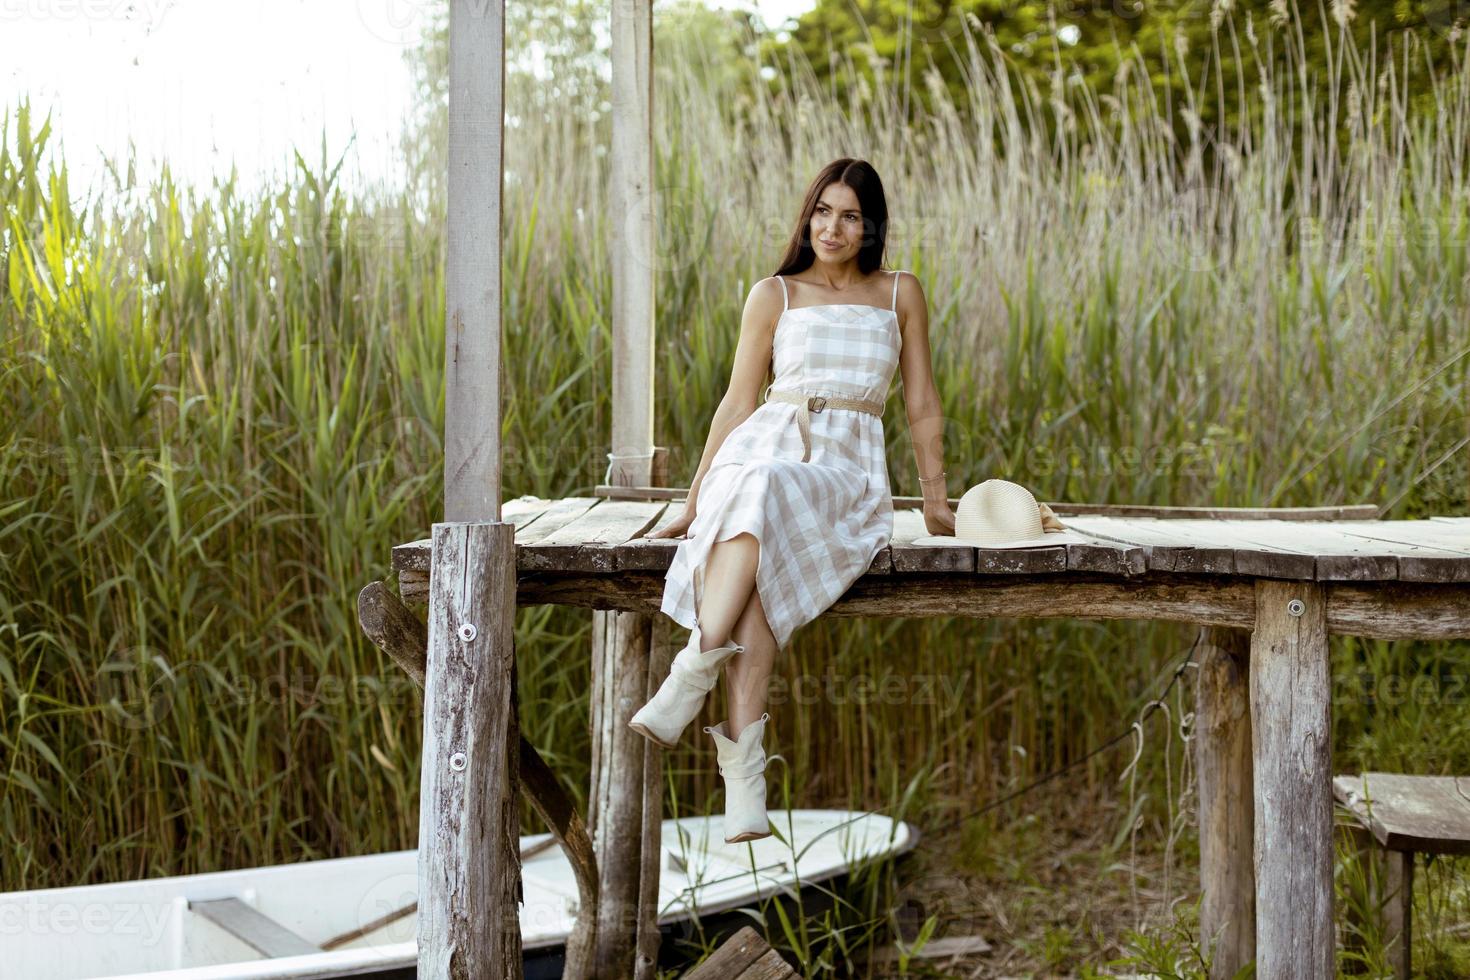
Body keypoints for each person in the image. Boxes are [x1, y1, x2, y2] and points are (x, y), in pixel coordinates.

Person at [631, 158, 957, 843]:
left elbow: (921, 402)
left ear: (870, 228)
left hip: (845, 471)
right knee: (758, 494)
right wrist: (693, 502)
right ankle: (743, 780)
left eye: (849, 216)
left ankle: (695, 665)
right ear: (807, 216)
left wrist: (933, 498)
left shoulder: (900, 292)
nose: (832, 227)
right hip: (762, 450)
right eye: (822, 211)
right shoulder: (773, 294)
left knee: (765, 496)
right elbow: (737, 402)